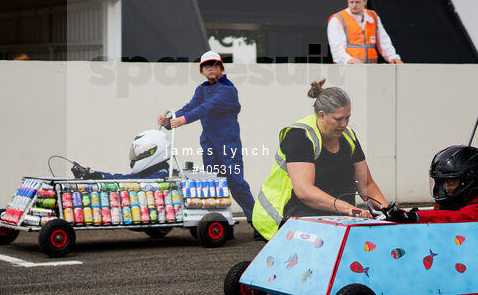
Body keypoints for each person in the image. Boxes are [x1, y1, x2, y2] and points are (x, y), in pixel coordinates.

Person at [252, 80, 388, 240]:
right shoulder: (299, 136)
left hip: (336, 214)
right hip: (289, 214)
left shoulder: (348, 136)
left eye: (347, 118)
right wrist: (350, 210)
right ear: (322, 115)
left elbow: (366, 184)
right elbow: (304, 191)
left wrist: (389, 210)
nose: (344, 124)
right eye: (338, 119)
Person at [158, 51, 256, 224]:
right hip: (209, 143)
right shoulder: (202, 89)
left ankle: (258, 222)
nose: (211, 69)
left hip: (228, 144)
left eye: (214, 65)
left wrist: (183, 120)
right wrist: (169, 121)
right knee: (213, 185)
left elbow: (206, 108)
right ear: (202, 70)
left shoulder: (228, 90)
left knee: (236, 182)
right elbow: (190, 107)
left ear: (221, 68)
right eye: (207, 66)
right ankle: (221, 223)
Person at [384, 145, 478, 223]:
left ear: (468, 181)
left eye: (451, 182)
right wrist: (409, 213)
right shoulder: (450, 205)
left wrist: (417, 217)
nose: (445, 187)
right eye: (441, 182)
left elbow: (452, 218)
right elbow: (440, 215)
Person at [327, 0, 402, 64]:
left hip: (370, 70)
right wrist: (348, 60)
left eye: (357, 2)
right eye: (351, 2)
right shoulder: (338, 19)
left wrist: (393, 57)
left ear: (365, 1)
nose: (354, 5)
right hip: (347, 69)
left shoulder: (373, 17)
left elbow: (384, 42)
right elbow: (336, 47)